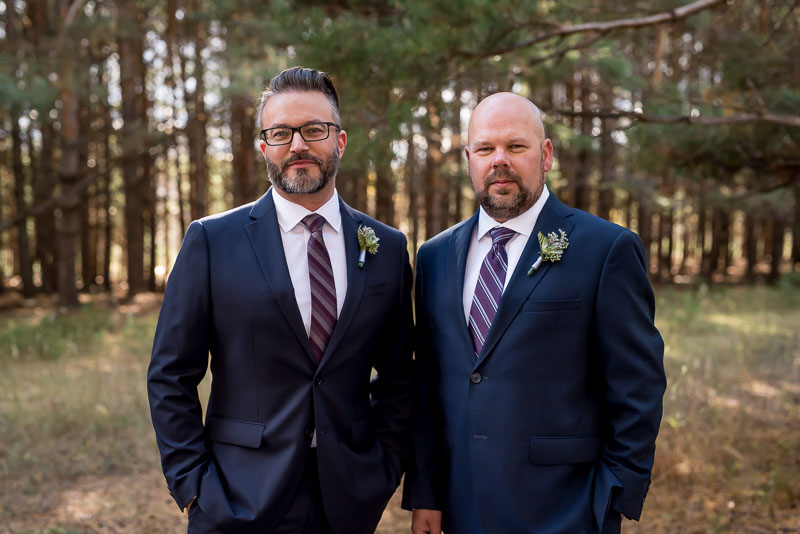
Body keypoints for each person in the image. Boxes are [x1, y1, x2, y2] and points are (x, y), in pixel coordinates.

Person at [147, 66, 414, 534]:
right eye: (281, 132)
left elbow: (400, 377)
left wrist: (384, 467)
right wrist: (193, 486)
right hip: (236, 499)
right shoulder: (212, 241)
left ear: (340, 141)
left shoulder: (386, 248)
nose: (297, 145)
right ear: (264, 146)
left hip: (346, 501)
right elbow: (171, 374)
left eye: (314, 130)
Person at [402, 92, 666, 534]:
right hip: (462, 506)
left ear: (545, 155)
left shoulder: (605, 249)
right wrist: (426, 491)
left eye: (515, 146)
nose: (499, 160)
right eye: (485, 148)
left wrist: (611, 499)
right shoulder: (435, 256)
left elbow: (637, 384)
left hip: (565, 510)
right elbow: (430, 385)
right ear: (468, 159)